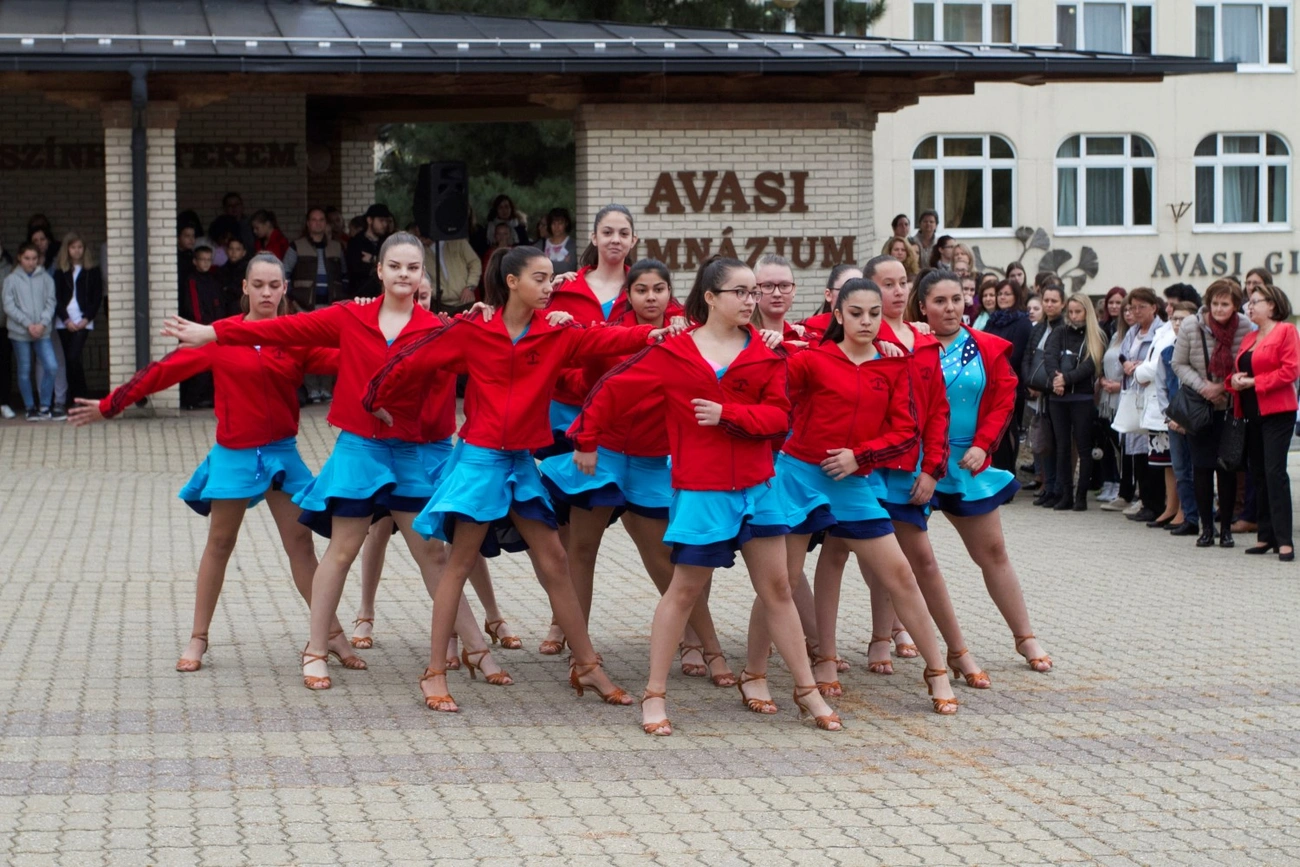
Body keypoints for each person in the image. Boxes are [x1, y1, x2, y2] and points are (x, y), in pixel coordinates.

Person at [163, 233, 512, 695]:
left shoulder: (434, 329)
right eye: (395, 266)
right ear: (380, 271)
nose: (404, 274)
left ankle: (476, 648)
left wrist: (491, 316)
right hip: (358, 452)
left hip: (407, 452)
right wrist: (214, 333)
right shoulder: (351, 315)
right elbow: (282, 330)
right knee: (343, 549)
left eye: (413, 268)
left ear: (421, 275)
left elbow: (496, 355)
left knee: (432, 553)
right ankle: (315, 649)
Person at [363, 244, 680, 713]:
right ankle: (433, 673)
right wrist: (375, 399)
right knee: (459, 563)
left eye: (552, 278)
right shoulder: (474, 330)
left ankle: (587, 666)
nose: (550, 287)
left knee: (555, 560)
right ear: (512, 282)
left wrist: (653, 334)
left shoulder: (556, 332)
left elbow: (605, 339)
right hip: (479, 462)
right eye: (540, 278)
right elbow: (413, 358)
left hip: (521, 464)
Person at [558, 255, 841, 735]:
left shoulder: (764, 353)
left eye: (753, 292)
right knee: (683, 590)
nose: (751, 301)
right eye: (741, 292)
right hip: (701, 490)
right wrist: (586, 439)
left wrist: (728, 414)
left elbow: (779, 417)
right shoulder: (674, 351)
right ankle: (654, 695)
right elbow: (613, 390)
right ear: (710, 297)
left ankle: (806, 691)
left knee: (778, 589)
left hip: (758, 487)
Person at [68, 253, 363, 672]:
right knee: (220, 543)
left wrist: (377, 327)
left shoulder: (294, 339)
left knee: (301, 545)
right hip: (234, 454)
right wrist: (109, 405)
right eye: (257, 285)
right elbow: (161, 372)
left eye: (274, 285)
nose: (266, 293)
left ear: (284, 289)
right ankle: (198, 638)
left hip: (282, 453)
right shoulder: (218, 337)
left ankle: (331, 634)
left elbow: (350, 358)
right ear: (244, 287)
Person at [745, 277, 962, 715]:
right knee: (782, 581)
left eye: (874, 314)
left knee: (900, 574)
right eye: (857, 313)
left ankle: (937, 670)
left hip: (853, 481)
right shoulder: (812, 360)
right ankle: (754, 674)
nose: (866, 321)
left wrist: (859, 456)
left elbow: (906, 432)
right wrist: (765, 345)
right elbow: (766, 389)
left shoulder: (893, 366)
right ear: (838, 315)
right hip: (798, 477)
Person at [546, 260, 734, 685]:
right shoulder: (610, 331)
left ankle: (710, 649)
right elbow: (587, 375)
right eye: (641, 290)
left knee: (668, 561)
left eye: (659, 289)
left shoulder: (689, 334)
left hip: (652, 460)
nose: (651, 297)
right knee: (581, 550)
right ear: (627, 295)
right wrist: (552, 317)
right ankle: (581, 654)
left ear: (670, 293)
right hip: (605, 455)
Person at [349, 271, 523, 660]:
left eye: (425, 295)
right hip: (396, 448)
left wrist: (484, 315)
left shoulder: (446, 331)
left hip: (440, 448)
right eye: (414, 295)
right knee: (379, 529)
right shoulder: (386, 332)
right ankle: (365, 613)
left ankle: (491, 616)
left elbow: (488, 342)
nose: (419, 302)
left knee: (462, 535)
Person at [852, 258, 992, 686]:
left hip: (907, 470)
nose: (897, 291)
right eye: (886, 284)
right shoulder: (856, 336)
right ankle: (839, 651)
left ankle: (957, 650)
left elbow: (937, 412)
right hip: (860, 468)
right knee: (849, 556)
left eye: (902, 283)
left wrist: (932, 470)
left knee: (921, 561)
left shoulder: (925, 342)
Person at [912, 269, 1052, 673]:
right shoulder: (908, 344)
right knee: (905, 559)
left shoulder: (985, 346)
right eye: (939, 301)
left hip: (966, 462)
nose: (950, 308)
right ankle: (888, 636)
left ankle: (1025, 636)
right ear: (922, 306)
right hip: (915, 465)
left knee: (993, 551)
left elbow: (1004, 398)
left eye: (956, 299)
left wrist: (982, 444)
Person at [535, 203, 638, 477]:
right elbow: (539, 344)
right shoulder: (563, 288)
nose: (615, 239)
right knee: (565, 493)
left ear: (633, 240)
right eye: (607, 232)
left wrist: (680, 320)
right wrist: (576, 382)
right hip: (566, 410)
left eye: (623, 233)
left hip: (623, 415)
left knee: (617, 492)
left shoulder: (646, 290)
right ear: (594, 237)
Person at [1172, 280, 1250, 549]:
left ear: (1235, 305)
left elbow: (1247, 363)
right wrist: (1203, 387)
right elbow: (1178, 363)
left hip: (1230, 406)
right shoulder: (1191, 326)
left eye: (1225, 304)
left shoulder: (1245, 326)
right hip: (1200, 406)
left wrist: (1223, 387)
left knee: (1227, 467)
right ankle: (1206, 528)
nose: (1218, 309)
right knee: (1202, 468)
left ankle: (1226, 528)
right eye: (1214, 303)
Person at [1230, 282, 1297, 561]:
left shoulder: (1286, 331)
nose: (1250, 306)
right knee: (1257, 473)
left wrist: (1255, 382)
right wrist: (1233, 380)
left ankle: (1284, 540)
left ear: (1272, 305)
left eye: (1255, 301)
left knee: (1274, 473)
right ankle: (1265, 535)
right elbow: (1240, 370)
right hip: (1251, 411)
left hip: (1277, 412)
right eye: (1249, 302)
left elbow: (1290, 371)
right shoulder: (1249, 337)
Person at [1043, 293, 1105, 511]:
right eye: (1070, 312)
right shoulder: (1060, 332)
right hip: (1058, 397)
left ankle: (1081, 496)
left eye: (1078, 312)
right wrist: (1056, 380)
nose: (1074, 316)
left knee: (1083, 447)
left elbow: (1090, 365)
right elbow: (1049, 357)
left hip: (1082, 397)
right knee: (1062, 447)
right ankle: (1066, 494)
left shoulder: (1095, 335)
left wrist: (1066, 379)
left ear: (1087, 312)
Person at [3, 242, 58, 420]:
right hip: (20, 333)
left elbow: (51, 302)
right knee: (24, 369)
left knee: (51, 366)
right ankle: (30, 407)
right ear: (20, 257)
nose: (31, 262)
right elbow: (9, 306)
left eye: (34, 258)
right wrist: (28, 324)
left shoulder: (46, 279)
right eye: (27, 258)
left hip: (42, 332)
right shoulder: (11, 280)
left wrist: (42, 324)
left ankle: (45, 406)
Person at [1158, 302, 1199, 535]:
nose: (1178, 324)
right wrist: (1169, 417)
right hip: (1173, 421)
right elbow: (1161, 388)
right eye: (1175, 319)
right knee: (1180, 470)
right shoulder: (1166, 353)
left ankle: (1202, 515)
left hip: (1196, 421)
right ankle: (1189, 517)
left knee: (1198, 470)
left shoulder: (1200, 352)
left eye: (1184, 319)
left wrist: (1189, 420)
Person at [984, 279, 1032, 474]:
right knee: (994, 431)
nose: (1002, 297)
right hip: (990, 382)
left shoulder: (1022, 322)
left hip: (1010, 384)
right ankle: (997, 473)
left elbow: (1016, 354)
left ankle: (1009, 473)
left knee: (1008, 430)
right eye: (1000, 294)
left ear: (1016, 296)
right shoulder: (992, 320)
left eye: (1007, 294)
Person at [1023, 284, 1065, 506]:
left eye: (1054, 301)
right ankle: (1047, 485)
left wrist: (1045, 386)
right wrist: (1029, 382)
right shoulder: (1038, 328)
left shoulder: (1064, 328)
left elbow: (1060, 363)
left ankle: (1057, 487)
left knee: (1056, 443)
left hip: (1054, 394)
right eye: (1046, 300)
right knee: (1043, 442)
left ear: (1062, 303)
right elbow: (1027, 357)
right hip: (1036, 393)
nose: (1049, 305)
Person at [52, 232, 103, 405]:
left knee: (74, 357)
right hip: (64, 321)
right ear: (67, 249)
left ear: (85, 249)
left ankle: (81, 396)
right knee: (69, 360)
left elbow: (96, 297)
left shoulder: (92, 271)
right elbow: (56, 297)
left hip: (83, 320)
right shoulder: (60, 271)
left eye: (80, 247)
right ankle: (73, 397)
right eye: (73, 247)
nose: (77, 251)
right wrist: (66, 320)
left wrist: (87, 318)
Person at [289, 207, 345, 311]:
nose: (318, 223)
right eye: (314, 220)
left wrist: (341, 298)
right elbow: (284, 274)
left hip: (332, 307)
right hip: (302, 307)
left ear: (326, 223)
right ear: (308, 223)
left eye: (321, 220)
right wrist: (292, 300)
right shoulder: (296, 246)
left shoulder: (337, 247)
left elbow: (345, 276)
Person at [345, 204, 391, 298]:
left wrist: (372, 259)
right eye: (381, 220)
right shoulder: (356, 242)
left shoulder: (388, 242)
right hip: (360, 296)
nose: (385, 224)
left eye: (386, 221)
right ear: (369, 220)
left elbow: (391, 265)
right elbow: (355, 269)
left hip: (383, 296)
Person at [800, 264, 863, 333]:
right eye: (847, 289)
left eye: (862, 289)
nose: (856, 296)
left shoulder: (870, 329)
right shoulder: (806, 331)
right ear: (828, 295)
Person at [535, 207, 578, 275]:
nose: (556, 227)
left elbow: (568, 268)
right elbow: (535, 265)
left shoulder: (573, 245)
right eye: (553, 223)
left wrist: (545, 263)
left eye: (560, 223)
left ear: (566, 224)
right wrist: (561, 264)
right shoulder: (540, 245)